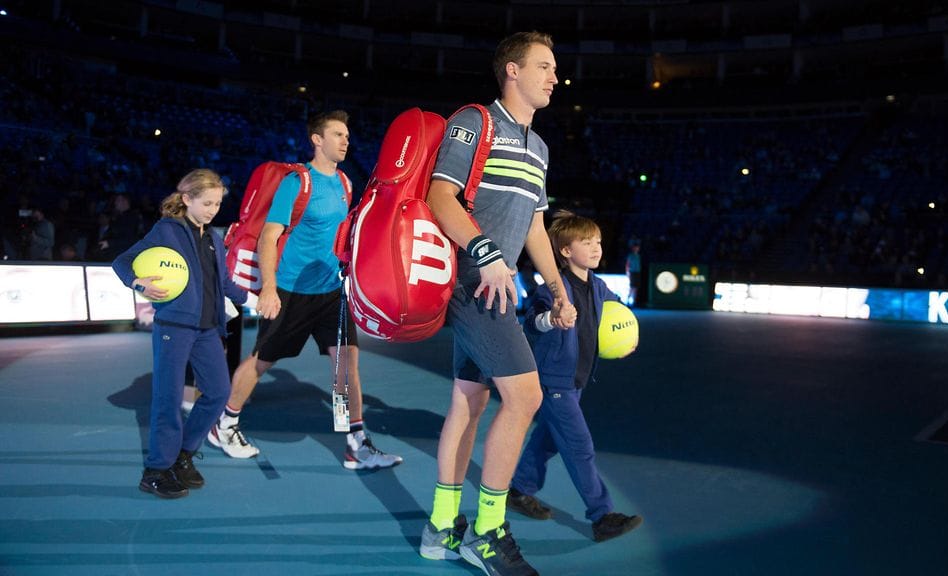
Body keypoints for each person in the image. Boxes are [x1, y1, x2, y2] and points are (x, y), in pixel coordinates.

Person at [418, 31, 576, 576]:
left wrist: (558, 288)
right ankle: (487, 532)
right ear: (513, 70)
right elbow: (440, 195)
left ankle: (441, 527)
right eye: (544, 66)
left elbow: (534, 226)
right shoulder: (475, 120)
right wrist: (484, 251)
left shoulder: (540, 148)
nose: (554, 77)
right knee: (526, 396)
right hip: (471, 281)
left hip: (498, 285)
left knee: (469, 403)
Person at [208, 109, 402, 471]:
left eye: (347, 136)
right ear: (317, 139)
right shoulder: (296, 183)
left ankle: (354, 441)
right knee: (261, 361)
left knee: (345, 367)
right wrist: (269, 289)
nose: (346, 141)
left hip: (331, 292)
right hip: (291, 291)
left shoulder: (344, 182)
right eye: (338, 134)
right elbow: (269, 237)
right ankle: (225, 424)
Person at [112, 169, 251, 499]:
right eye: (207, 203)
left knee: (218, 392)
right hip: (173, 327)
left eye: (217, 204)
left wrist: (255, 299)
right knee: (169, 398)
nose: (213, 210)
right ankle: (156, 471)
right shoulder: (167, 230)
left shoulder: (213, 238)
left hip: (207, 329)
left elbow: (224, 283)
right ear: (187, 199)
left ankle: (183, 454)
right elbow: (122, 262)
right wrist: (137, 282)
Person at [508, 210, 644, 542]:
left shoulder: (598, 287)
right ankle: (602, 516)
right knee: (579, 445)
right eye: (587, 242)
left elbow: (618, 316)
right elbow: (532, 323)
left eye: (598, 241)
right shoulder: (554, 289)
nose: (596, 248)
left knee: (549, 438)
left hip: (576, 379)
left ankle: (520, 489)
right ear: (566, 251)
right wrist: (551, 319)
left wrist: (627, 338)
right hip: (554, 381)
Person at [625, 239, 642, 307]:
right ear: (633, 248)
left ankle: (634, 302)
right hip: (632, 272)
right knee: (632, 287)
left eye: (637, 248)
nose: (637, 249)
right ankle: (628, 301)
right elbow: (627, 264)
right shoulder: (630, 255)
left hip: (638, 272)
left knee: (636, 288)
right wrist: (627, 272)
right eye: (635, 247)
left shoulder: (639, 256)